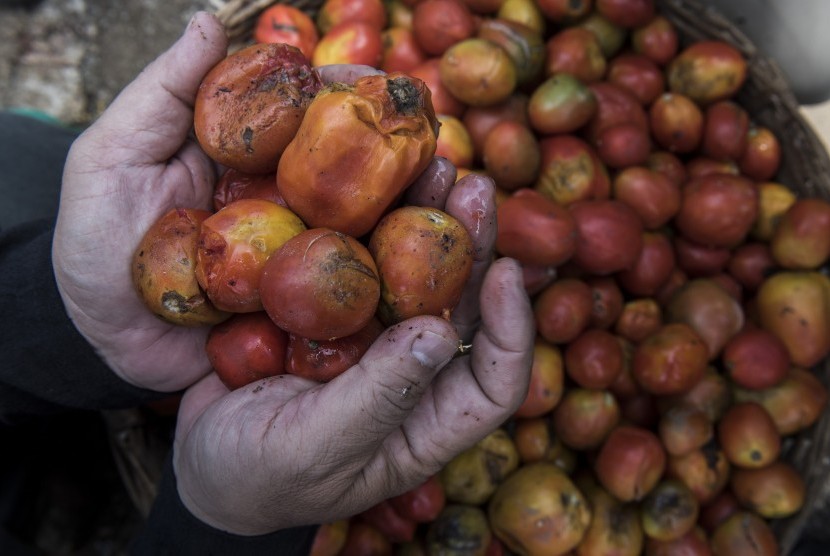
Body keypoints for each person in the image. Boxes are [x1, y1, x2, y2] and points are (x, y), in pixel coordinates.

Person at [0, 11, 535, 554]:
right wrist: (221, 521)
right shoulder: (353, 150)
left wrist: (61, 309)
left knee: (15, 153)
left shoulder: (341, 136)